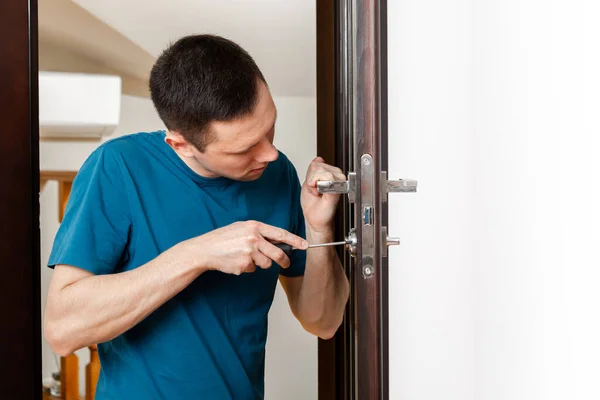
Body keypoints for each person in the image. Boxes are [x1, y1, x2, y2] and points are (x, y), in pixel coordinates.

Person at [43, 34, 350, 399]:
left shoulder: (276, 173)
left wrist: (318, 227)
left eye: (269, 129)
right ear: (181, 144)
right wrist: (199, 254)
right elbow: (63, 330)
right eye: (245, 148)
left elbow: (324, 321)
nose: (269, 154)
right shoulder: (118, 168)